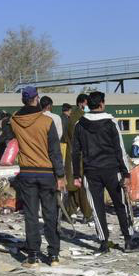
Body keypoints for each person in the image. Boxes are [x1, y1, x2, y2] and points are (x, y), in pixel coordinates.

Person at [6, 86, 65, 267]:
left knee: (31, 215)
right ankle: (53, 255)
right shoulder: (46, 122)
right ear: (37, 98)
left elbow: (7, 138)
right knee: (50, 214)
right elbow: (55, 151)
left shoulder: (15, 121)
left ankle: (32, 257)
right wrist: (60, 175)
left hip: (27, 173)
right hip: (47, 173)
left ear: (23, 100)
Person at [71, 92, 134, 253]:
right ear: (102, 104)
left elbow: (75, 152)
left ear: (88, 105)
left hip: (91, 172)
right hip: (112, 170)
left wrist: (77, 175)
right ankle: (127, 239)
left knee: (97, 208)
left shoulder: (79, 124)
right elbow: (119, 149)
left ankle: (103, 242)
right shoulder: (111, 122)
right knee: (120, 205)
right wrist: (126, 173)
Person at [62, 93, 94, 221]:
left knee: (73, 186)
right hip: (80, 156)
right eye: (87, 103)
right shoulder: (80, 118)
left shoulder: (72, 116)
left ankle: (71, 212)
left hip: (72, 155)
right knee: (82, 186)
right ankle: (87, 213)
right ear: (82, 103)